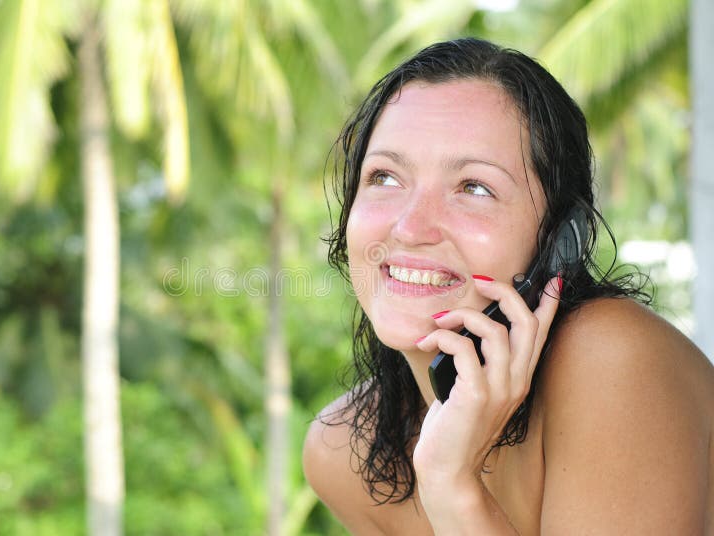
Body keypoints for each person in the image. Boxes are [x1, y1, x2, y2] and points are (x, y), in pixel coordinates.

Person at [303, 37, 714, 534]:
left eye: (474, 187)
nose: (409, 228)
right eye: (385, 177)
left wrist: (453, 486)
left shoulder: (612, 359)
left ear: (559, 239)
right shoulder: (345, 449)